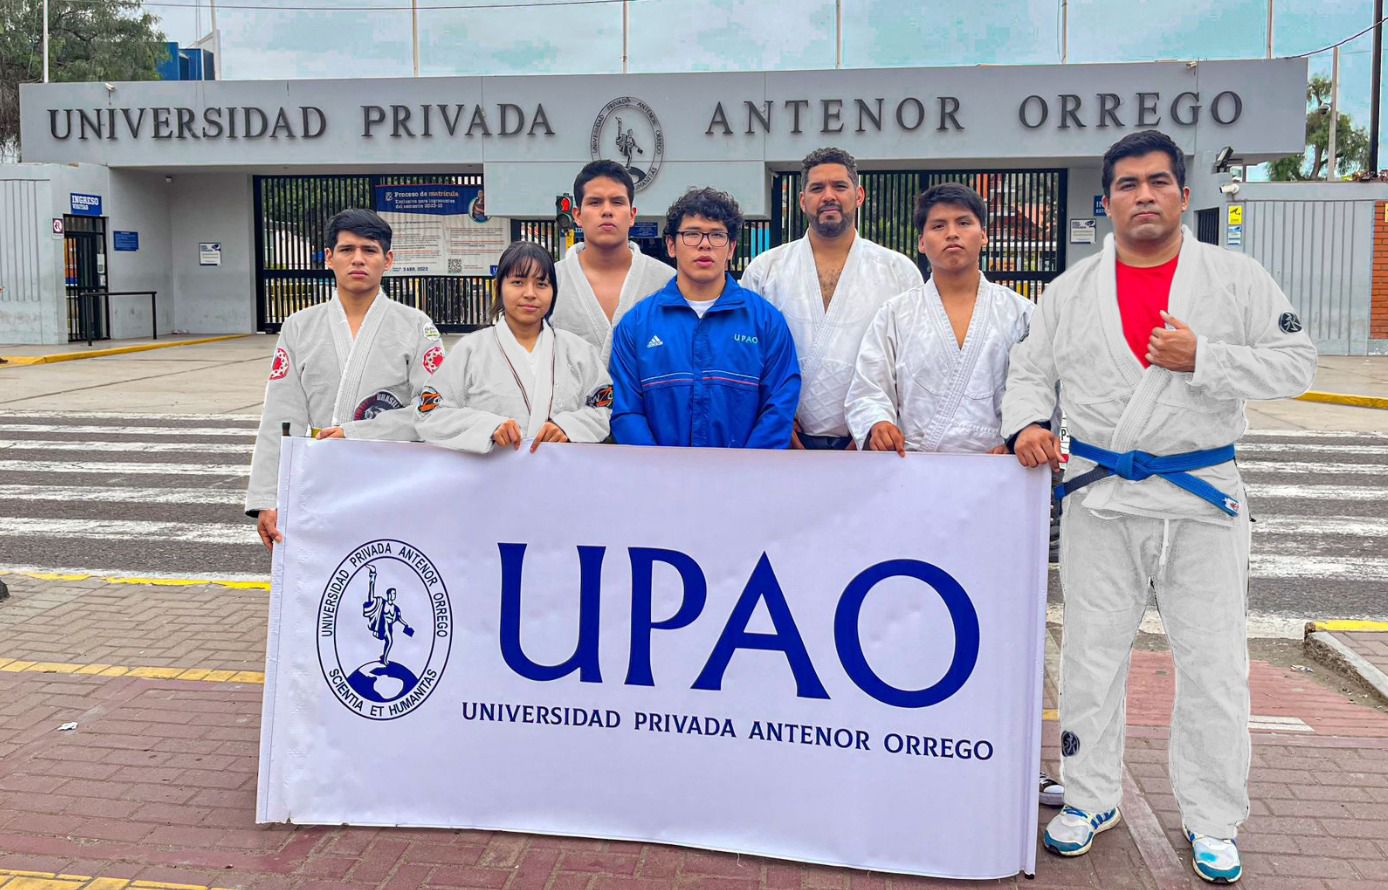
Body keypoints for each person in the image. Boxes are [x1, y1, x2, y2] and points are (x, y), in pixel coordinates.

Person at [1002, 130, 1317, 883]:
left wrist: (1205, 356)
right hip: (1101, 497)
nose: (1144, 195)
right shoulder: (1072, 290)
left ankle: (1213, 817)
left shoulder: (1235, 279)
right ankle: (1088, 795)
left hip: (1203, 499)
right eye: (1129, 185)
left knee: (1212, 664)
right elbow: (1028, 372)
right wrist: (1028, 425)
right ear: (1106, 200)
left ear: (1182, 193)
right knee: (1089, 656)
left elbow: (1296, 364)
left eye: (1158, 182)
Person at [842, 182, 1064, 809]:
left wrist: (1024, 432)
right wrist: (876, 423)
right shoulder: (896, 314)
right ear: (921, 240)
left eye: (964, 223)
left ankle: (1019, 760)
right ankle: (911, 745)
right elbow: (868, 386)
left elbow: (1044, 390)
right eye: (938, 225)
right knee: (910, 619)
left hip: (998, 490)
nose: (951, 235)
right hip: (914, 487)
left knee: (1004, 630)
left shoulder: (1019, 314)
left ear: (984, 234)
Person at [245, 208, 444, 551]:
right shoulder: (298, 327)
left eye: (370, 250)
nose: (358, 260)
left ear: (388, 259)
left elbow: (433, 410)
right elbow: (280, 416)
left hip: (390, 478)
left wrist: (357, 433)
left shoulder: (416, 326)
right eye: (347, 250)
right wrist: (267, 497)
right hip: (319, 482)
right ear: (328, 258)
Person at [741, 147, 922, 450]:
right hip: (784, 437)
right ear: (802, 201)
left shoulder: (899, 271)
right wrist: (773, 418)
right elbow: (745, 353)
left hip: (871, 441)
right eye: (817, 188)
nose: (828, 196)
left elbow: (913, 361)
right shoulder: (765, 269)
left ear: (859, 195)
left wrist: (872, 424)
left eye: (839, 186)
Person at [608, 187, 800, 448]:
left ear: (731, 248)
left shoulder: (766, 322)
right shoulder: (636, 326)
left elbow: (779, 406)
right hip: (660, 481)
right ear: (671, 245)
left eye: (717, 235)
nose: (705, 244)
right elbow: (626, 410)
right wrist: (658, 470)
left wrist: (745, 470)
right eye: (692, 234)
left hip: (741, 480)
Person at [416, 240, 612, 453]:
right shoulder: (470, 351)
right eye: (518, 282)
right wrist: (488, 426)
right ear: (498, 286)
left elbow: (603, 406)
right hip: (491, 477)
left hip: (560, 476)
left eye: (541, 284)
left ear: (553, 291)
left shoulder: (578, 352)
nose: (530, 293)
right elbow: (429, 412)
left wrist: (569, 426)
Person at [550, 160, 674, 365]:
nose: (607, 211)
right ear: (578, 216)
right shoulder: (551, 280)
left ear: (632, 215)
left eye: (617, 202)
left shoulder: (666, 281)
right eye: (595, 202)